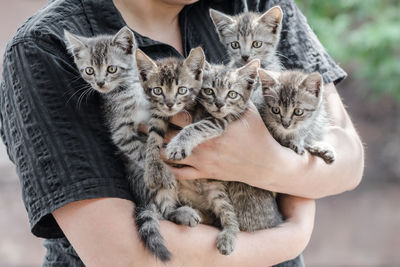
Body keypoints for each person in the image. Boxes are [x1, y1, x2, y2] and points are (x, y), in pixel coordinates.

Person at [0, 0, 363, 266]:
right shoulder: (43, 49)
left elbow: (348, 158)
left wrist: (266, 162)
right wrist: (292, 236)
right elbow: (122, 255)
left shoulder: (254, 8)